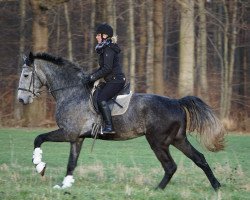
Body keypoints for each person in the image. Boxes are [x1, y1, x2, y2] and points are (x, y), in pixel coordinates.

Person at [82, 23, 126, 134]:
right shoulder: (105, 48)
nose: (96, 37)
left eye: (98, 35)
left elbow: (107, 69)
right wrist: (89, 77)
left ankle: (109, 127)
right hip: (112, 80)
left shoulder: (109, 49)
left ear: (104, 36)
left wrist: (92, 77)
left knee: (101, 99)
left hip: (116, 80)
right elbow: (102, 68)